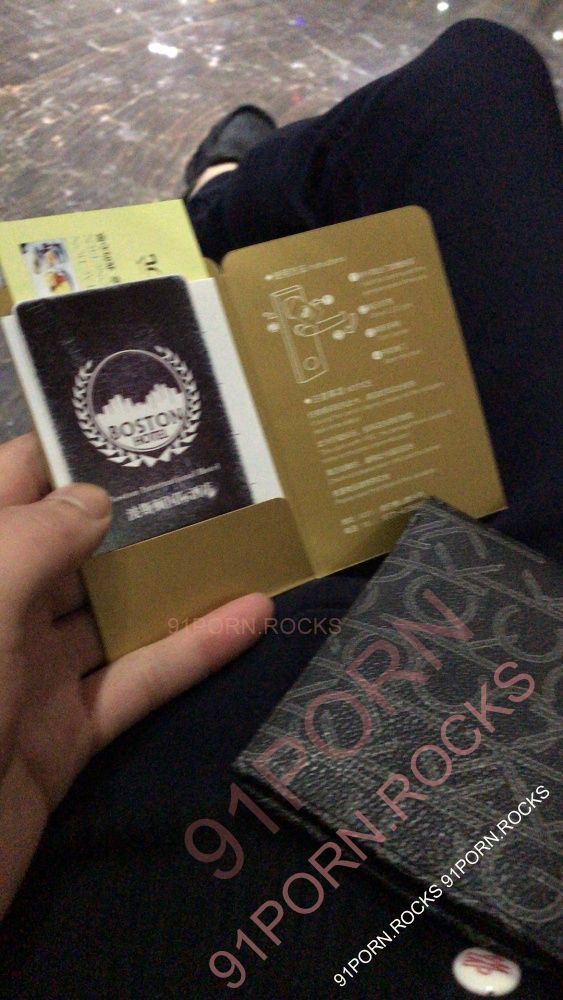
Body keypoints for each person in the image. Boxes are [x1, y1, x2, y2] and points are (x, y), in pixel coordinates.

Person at [0, 17, 561, 1000]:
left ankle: (213, 212)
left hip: (143, 769)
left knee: (470, 85)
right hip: (522, 675)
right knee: (472, 84)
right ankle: (224, 205)